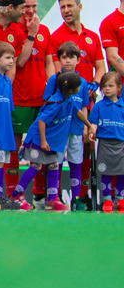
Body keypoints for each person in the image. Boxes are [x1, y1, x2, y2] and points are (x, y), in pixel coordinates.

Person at [48, 0, 104, 209]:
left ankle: (81, 196)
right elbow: (56, 71)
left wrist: (93, 85)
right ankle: (54, 196)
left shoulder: (93, 36)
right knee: (61, 148)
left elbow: (100, 67)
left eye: (69, 6)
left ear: (79, 7)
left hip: (87, 99)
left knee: (85, 145)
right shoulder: (56, 36)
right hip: (66, 103)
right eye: (62, 7)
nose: (66, 11)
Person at [10, 71, 84, 211]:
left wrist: (89, 125)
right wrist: (43, 141)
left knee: (54, 165)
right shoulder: (56, 103)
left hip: (50, 141)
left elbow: (78, 112)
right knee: (36, 166)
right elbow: (42, 121)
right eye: (78, 86)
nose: (80, 88)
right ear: (70, 90)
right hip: (38, 139)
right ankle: (17, 194)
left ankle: (52, 198)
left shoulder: (68, 100)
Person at [44, 41, 98, 210]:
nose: (67, 61)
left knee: (76, 162)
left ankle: (76, 198)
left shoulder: (83, 82)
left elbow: (84, 106)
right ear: (59, 60)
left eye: (71, 57)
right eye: (64, 57)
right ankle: (54, 197)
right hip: (58, 130)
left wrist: (85, 127)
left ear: (78, 60)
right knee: (57, 162)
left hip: (76, 129)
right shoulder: (55, 79)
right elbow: (47, 103)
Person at [10, 0, 53, 196]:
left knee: (42, 148)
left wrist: (52, 90)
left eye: (34, 6)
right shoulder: (14, 30)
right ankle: (12, 193)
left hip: (40, 99)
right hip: (18, 98)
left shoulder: (45, 30)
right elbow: (20, 62)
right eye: (26, 6)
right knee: (14, 147)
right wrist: (31, 34)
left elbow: (49, 62)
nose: (30, 10)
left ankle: (39, 193)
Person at [0, 42, 20, 209]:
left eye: (12, 58)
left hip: (5, 129)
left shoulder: (7, 80)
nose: (11, 61)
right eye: (7, 58)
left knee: (2, 161)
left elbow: (8, 107)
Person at [91, 72, 124, 212]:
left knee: (122, 173)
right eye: (104, 86)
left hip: (121, 144)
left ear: (119, 88)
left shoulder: (123, 105)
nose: (107, 89)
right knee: (105, 173)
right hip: (105, 144)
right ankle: (107, 200)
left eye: (111, 86)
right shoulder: (99, 106)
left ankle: (120, 199)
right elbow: (93, 123)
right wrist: (92, 131)